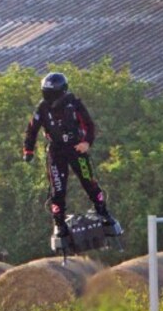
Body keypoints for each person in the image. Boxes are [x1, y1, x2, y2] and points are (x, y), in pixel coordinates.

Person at [23, 72, 117, 237]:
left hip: (76, 149)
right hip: (56, 151)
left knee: (89, 181)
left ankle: (103, 212)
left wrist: (87, 142)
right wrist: (28, 150)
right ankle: (59, 223)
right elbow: (32, 129)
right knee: (57, 189)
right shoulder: (42, 107)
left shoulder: (74, 104)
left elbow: (89, 124)